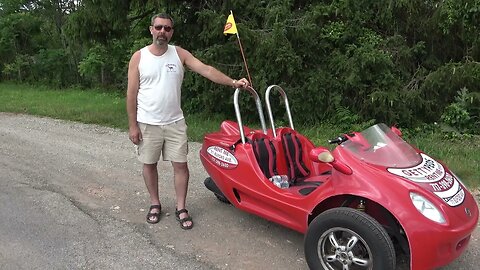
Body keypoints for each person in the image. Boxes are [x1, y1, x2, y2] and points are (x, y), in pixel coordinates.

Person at [126, 13, 250, 230]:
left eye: (167, 28)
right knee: (149, 164)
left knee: (181, 165)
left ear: (171, 32)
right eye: (159, 27)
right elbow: (131, 94)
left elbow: (206, 70)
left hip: (175, 122)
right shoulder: (139, 57)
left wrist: (233, 82)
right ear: (151, 29)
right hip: (147, 123)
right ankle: (155, 203)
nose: (162, 32)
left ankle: (181, 207)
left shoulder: (179, 54)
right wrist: (132, 125)